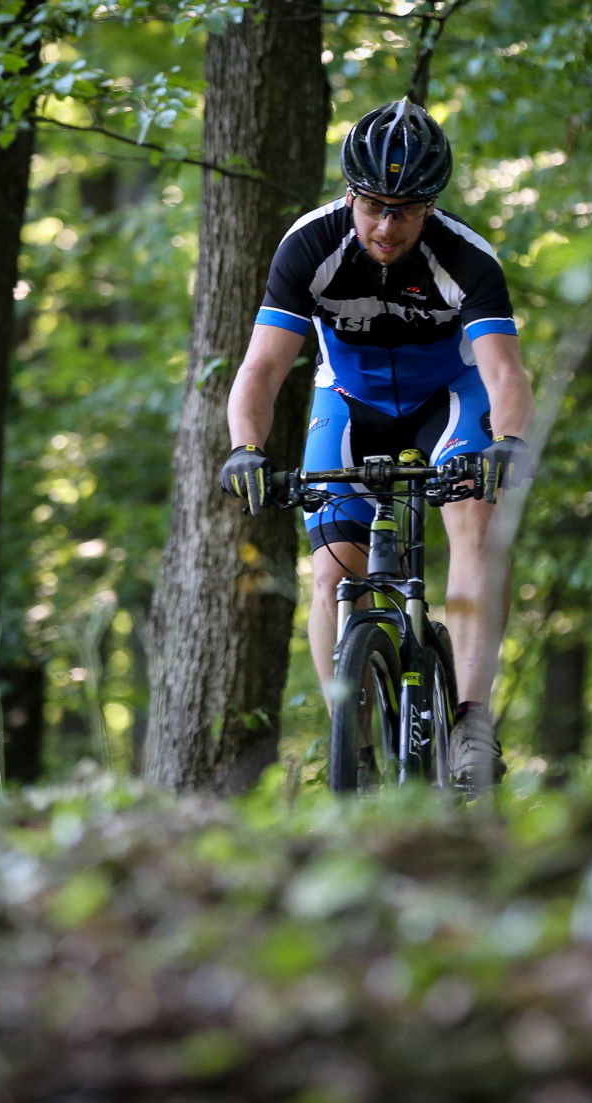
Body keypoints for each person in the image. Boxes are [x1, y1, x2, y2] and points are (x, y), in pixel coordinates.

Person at [218, 98, 533, 791]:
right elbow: (262, 367)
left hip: (446, 401)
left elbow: (504, 370)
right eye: (374, 207)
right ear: (350, 194)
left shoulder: (466, 257)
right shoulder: (310, 244)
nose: (387, 226)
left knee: (475, 524)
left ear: (430, 207)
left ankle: (473, 721)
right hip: (350, 401)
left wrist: (508, 442)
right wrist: (246, 449)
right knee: (332, 575)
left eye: (407, 210)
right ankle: (349, 746)